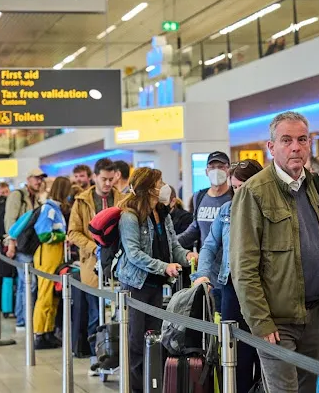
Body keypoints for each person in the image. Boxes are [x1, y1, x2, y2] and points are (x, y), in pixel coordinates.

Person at [229, 111, 319, 393]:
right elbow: (243, 266)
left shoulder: (318, 186)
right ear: (272, 147)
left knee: (307, 389)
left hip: (314, 316)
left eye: (302, 139)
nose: (296, 147)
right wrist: (260, 321)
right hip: (276, 322)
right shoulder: (254, 192)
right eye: (287, 140)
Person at [116, 167, 196, 393]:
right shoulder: (130, 216)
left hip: (156, 284)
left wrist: (188, 256)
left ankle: (152, 384)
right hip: (136, 284)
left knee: (154, 337)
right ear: (149, 188)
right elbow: (133, 254)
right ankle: (135, 388)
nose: (164, 186)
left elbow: (173, 246)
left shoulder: (162, 212)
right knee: (135, 341)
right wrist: (164, 267)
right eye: (160, 182)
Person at [192, 159, 263, 393]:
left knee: (263, 353)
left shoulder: (268, 209)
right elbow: (209, 246)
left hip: (263, 288)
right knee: (236, 353)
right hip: (231, 286)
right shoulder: (226, 211)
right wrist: (202, 274)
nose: (239, 192)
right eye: (235, 187)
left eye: (244, 186)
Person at [67, 157, 122, 375]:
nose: (108, 183)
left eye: (111, 179)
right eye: (104, 179)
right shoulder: (81, 201)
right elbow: (73, 232)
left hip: (118, 264)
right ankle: (96, 357)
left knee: (118, 314)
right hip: (91, 265)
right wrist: (94, 247)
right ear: (95, 177)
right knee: (94, 314)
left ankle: (116, 357)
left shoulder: (122, 199)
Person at [32, 177, 73, 349]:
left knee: (53, 295)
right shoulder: (49, 209)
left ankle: (48, 331)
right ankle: (39, 333)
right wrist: (64, 237)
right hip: (47, 255)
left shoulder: (55, 209)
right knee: (45, 295)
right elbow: (43, 235)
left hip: (55, 255)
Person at [5, 168, 47, 331]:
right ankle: (23, 320)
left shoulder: (35, 198)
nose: (39, 181)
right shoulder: (17, 196)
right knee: (29, 283)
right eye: (36, 178)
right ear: (28, 179)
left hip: (30, 245)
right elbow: (11, 220)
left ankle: (22, 318)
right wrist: (11, 243)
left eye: (40, 179)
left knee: (25, 283)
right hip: (20, 245)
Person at [178, 151, 233, 250]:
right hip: (206, 261)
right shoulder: (199, 196)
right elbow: (195, 229)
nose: (216, 171)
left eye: (221, 167)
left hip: (229, 261)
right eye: (212, 167)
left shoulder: (235, 196)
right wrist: (171, 244)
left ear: (228, 170)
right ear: (206, 172)